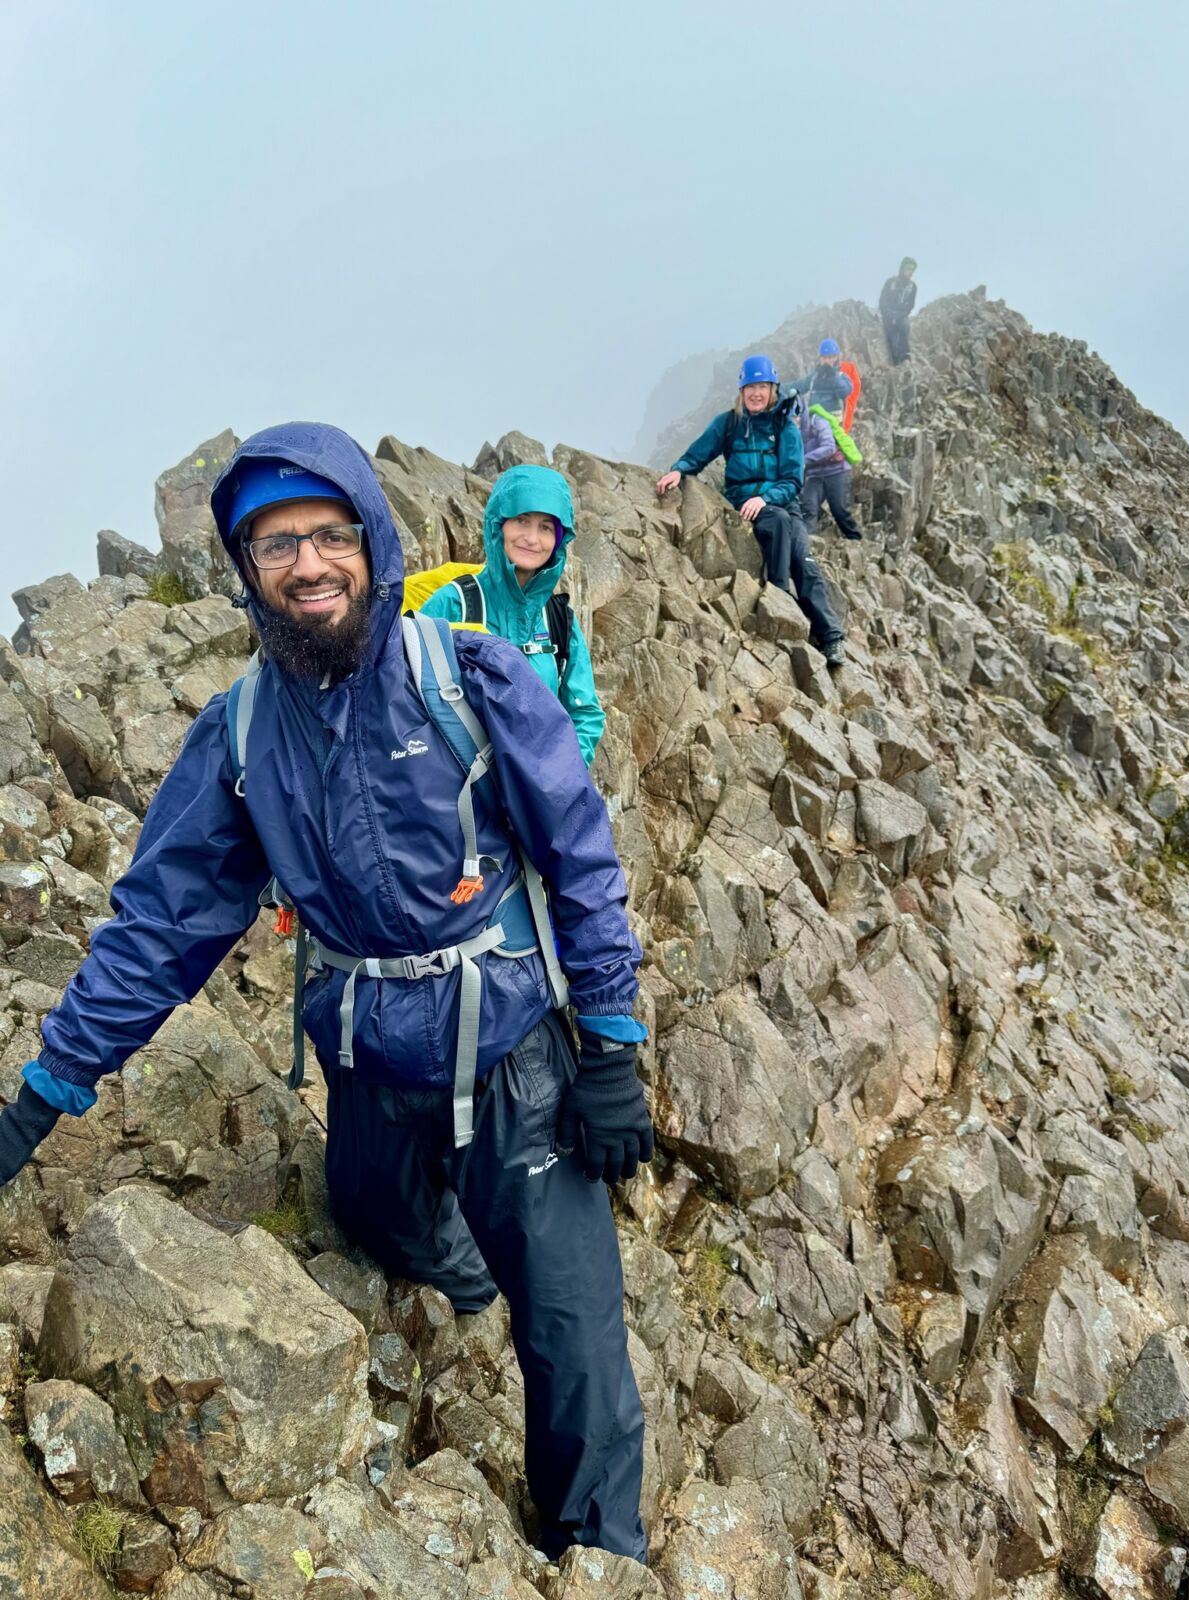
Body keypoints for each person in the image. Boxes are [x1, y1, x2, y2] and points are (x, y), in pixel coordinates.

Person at [0, 422, 652, 1563]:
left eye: (327, 534)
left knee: (577, 1342)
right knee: (373, 1215)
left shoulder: (475, 675)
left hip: (511, 1049)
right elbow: (159, 927)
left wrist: (610, 1044)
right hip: (369, 1051)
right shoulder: (241, 733)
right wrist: (40, 1097)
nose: (307, 564)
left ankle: (603, 1557)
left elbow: (582, 861)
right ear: (246, 572)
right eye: (273, 544)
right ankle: (460, 1264)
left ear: (372, 540)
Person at [655, 355, 845, 667]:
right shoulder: (729, 423)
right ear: (741, 390)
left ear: (773, 390)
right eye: (750, 387)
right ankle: (780, 598)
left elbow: (793, 479)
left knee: (804, 561)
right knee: (778, 524)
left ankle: (831, 636)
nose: (755, 393)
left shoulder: (785, 427)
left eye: (762, 387)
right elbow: (700, 453)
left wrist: (767, 498)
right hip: (741, 503)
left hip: (782, 503)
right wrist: (679, 470)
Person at [420, 464, 604, 766]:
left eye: (546, 527)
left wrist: (559, 779)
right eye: (521, 520)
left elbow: (585, 714)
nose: (532, 538)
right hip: (460, 797)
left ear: (558, 540)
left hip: (535, 798)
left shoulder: (559, 621)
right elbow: (409, 702)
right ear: (498, 525)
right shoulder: (453, 604)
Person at [796, 398, 864, 542]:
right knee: (809, 508)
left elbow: (829, 447)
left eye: (796, 415)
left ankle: (855, 540)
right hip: (814, 475)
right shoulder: (792, 432)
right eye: (790, 417)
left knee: (839, 510)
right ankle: (808, 545)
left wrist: (804, 460)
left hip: (836, 471)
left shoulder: (818, 422)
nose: (794, 420)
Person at [794, 338, 854, 418]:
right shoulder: (814, 378)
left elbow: (844, 392)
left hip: (833, 425)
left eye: (830, 357)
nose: (826, 361)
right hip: (814, 423)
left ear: (836, 358)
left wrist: (833, 375)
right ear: (820, 358)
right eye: (824, 358)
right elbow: (798, 386)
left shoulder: (841, 377)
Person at [879, 257, 918, 365]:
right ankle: (895, 361)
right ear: (902, 268)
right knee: (890, 334)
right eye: (908, 268)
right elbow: (882, 301)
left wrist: (900, 316)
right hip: (888, 315)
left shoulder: (912, 287)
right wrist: (889, 316)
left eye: (912, 270)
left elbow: (910, 305)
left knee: (905, 326)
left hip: (901, 316)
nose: (911, 272)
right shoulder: (891, 282)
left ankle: (905, 355)